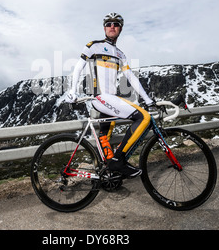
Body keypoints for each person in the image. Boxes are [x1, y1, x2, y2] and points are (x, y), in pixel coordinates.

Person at [66, 12, 155, 178]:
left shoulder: (120, 54)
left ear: (120, 28)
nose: (112, 26)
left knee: (104, 138)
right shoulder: (94, 46)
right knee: (143, 118)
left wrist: (148, 100)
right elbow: (78, 68)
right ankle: (118, 162)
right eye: (108, 24)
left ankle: (109, 174)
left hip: (110, 101)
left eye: (115, 24)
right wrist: (72, 91)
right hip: (100, 98)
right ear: (104, 28)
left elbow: (131, 78)